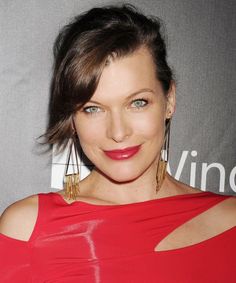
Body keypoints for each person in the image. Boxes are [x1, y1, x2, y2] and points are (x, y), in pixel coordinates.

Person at [0, 4, 235, 283]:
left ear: (169, 100)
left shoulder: (230, 223)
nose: (118, 132)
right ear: (72, 117)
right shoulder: (26, 231)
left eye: (137, 103)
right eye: (92, 108)